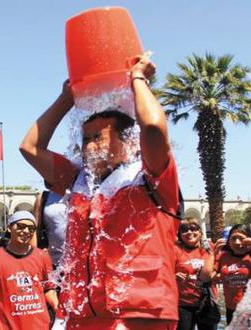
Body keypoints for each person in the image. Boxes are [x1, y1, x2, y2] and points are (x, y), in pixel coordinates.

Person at [20, 53, 180, 329]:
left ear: (129, 143)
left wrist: (138, 79)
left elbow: (153, 126)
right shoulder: (79, 179)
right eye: (85, 139)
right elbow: (30, 148)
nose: (89, 146)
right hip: (83, 313)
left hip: (139, 314)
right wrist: (66, 100)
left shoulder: (150, 177)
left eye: (97, 137)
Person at [0, 211, 57, 330]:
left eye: (31, 228)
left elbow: (48, 289)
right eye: (20, 226)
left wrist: (58, 306)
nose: (26, 231)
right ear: (9, 228)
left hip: (41, 326)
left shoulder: (42, 256)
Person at [174, 218, 216, 330]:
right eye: (184, 230)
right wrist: (174, 276)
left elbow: (218, 268)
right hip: (184, 304)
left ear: (200, 232)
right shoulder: (176, 250)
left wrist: (215, 274)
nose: (189, 232)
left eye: (193, 228)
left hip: (206, 303)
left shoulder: (210, 247)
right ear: (179, 234)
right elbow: (166, 271)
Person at [213, 224, 251, 325]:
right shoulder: (223, 256)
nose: (237, 242)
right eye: (233, 238)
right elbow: (209, 277)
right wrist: (214, 252)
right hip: (231, 308)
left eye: (241, 238)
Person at [33, 190, 67, 267]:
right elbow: (35, 229)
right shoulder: (44, 197)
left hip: (80, 262)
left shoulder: (83, 193)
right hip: (52, 263)